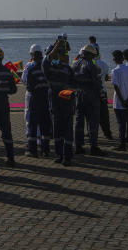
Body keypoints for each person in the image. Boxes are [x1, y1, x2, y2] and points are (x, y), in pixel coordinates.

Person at [44, 38, 76, 166]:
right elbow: (47, 60)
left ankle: (66, 156)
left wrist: (73, 103)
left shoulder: (67, 69)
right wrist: (56, 47)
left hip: (65, 104)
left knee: (66, 131)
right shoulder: (49, 68)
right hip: (56, 105)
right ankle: (59, 155)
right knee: (58, 131)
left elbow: (74, 87)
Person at [72, 45, 105, 156]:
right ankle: (93, 147)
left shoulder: (75, 64)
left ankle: (78, 146)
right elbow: (97, 83)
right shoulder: (91, 66)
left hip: (78, 95)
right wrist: (102, 96)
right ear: (91, 54)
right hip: (91, 96)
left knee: (78, 122)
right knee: (92, 122)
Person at [22, 45, 51, 157]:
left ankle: (32, 149)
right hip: (45, 99)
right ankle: (45, 150)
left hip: (33, 99)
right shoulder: (47, 68)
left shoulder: (30, 68)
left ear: (32, 55)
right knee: (45, 126)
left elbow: (27, 85)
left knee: (32, 125)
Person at [110, 51, 128, 151]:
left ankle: (122, 144)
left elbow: (116, 88)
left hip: (119, 103)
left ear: (115, 59)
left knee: (121, 124)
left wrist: (122, 101)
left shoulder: (115, 71)